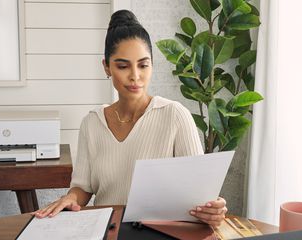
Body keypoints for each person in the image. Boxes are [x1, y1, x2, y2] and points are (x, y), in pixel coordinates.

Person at [33, 9, 227, 228]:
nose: (135, 75)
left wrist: (212, 208)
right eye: (123, 66)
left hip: (160, 232)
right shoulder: (92, 123)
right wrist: (70, 198)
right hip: (107, 229)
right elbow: (83, 188)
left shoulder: (175, 116)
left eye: (143, 65)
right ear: (106, 66)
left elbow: (199, 193)